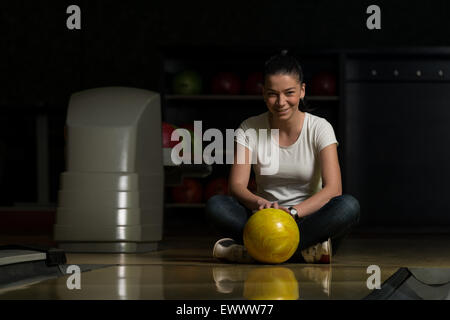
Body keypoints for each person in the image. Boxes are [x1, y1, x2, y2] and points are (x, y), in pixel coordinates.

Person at [205, 52, 360, 264]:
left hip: (307, 220)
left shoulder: (320, 128)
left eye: (289, 93)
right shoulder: (249, 128)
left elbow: (334, 189)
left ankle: (255, 252)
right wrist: (260, 203)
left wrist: (293, 213)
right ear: (262, 93)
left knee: (349, 206)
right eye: (272, 94)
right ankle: (303, 252)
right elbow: (237, 186)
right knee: (216, 205)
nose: (281, 102)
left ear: (302, 91)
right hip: (262, 219)